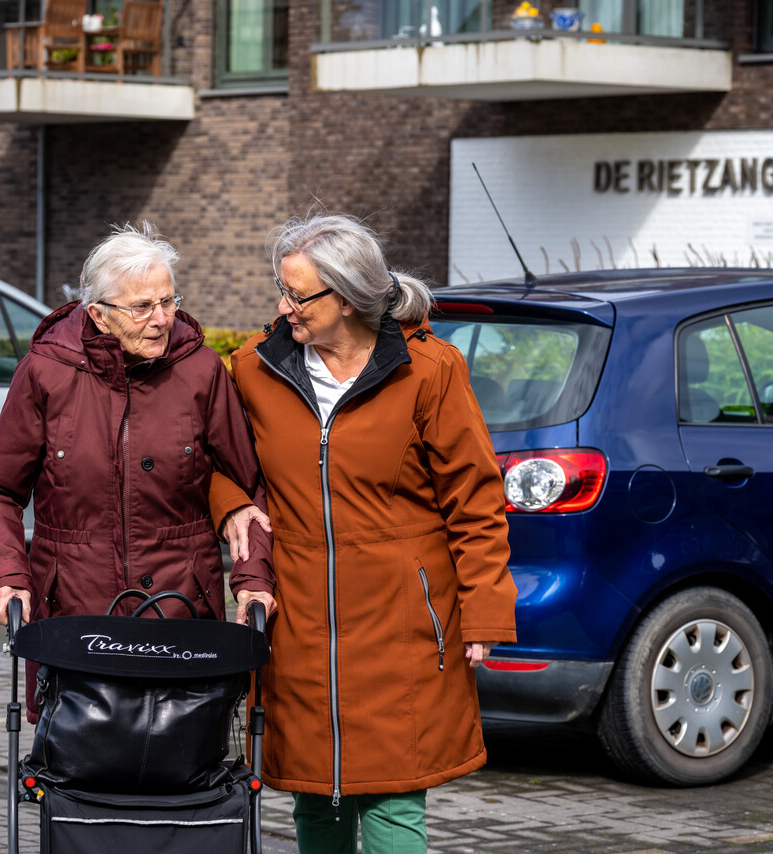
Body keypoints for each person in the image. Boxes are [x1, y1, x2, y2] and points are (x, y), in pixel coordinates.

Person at [212, 213, 517, 854]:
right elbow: (221, 464)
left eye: (298, 294)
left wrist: (485, 610)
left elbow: (475, 499)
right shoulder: (253, 370)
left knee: (393, 801)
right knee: (314, 799)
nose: (283, 306)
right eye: (282, 289)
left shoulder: (429, 370)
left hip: (403, 623)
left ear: (347, 298)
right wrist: (232, 505)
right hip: (298, 622)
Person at [0, 222, 276, 720]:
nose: (161, 320)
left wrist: (253, 576)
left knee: (182, 770)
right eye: (142, 307)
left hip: (182, 611)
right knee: (80, 771)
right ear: (99, 314)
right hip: (75, 618)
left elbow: (248, 483)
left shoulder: (201, 370)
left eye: (169, 302)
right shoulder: (45, 372)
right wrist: (6, 573)